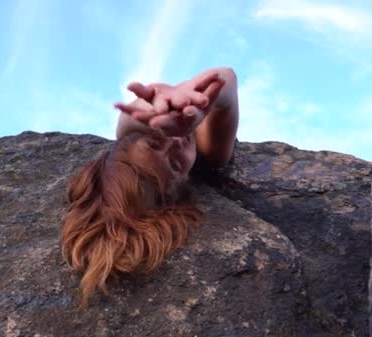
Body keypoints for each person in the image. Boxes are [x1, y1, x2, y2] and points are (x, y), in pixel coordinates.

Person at [61, 67, 239, 304]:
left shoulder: (135, 129)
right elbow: (226, 79)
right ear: (184, 184)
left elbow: (127, 122)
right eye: (175, 165)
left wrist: (174, 100)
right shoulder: (212, 152)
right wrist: (202, 98)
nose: (174, 142)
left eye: (154, 144)